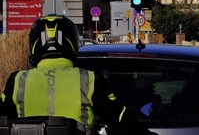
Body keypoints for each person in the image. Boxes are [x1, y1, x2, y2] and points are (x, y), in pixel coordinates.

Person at [0, 15, 156, 135]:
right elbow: (122, 121)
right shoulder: (89, 79)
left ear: (34, 45)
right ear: (72, 43)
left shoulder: (17, 81)